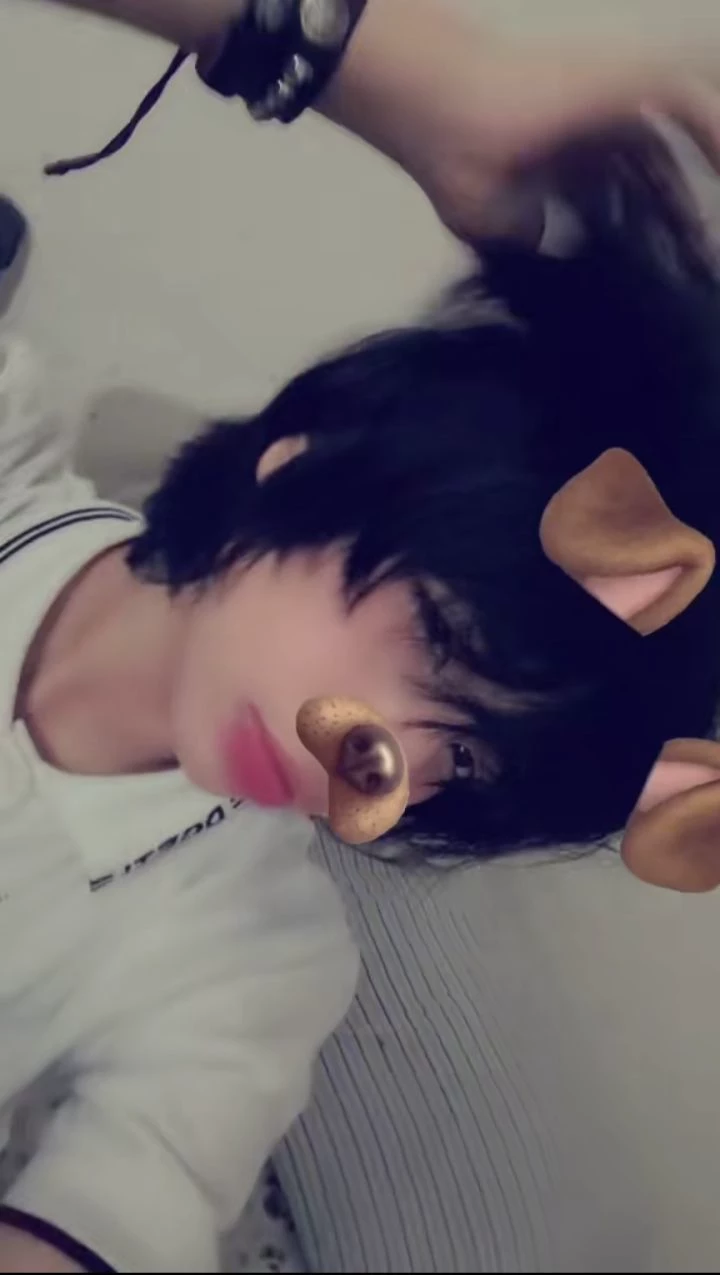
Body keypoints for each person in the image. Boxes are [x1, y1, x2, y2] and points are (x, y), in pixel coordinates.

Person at [3, 1, 720, 1271]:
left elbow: (121, 1204)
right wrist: (384, 66)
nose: (385, 766)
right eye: (437, 641)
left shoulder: (254, 961)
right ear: (311, 456)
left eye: (468, 762)